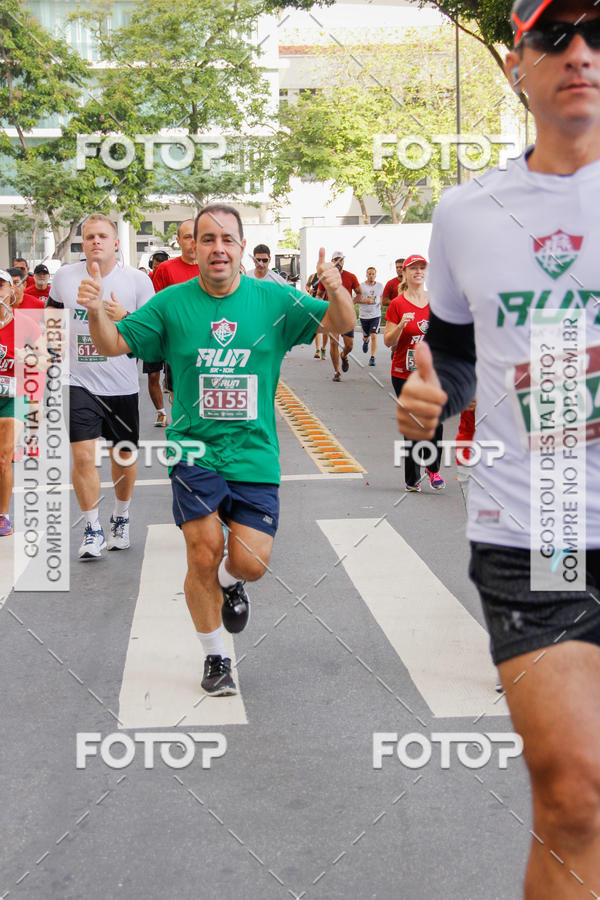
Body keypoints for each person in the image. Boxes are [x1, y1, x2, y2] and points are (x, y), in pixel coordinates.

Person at [396, 1, 600, 895]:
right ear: (517, 64)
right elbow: (456, 355)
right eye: (556, 38)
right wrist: (434, 399)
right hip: (540, 518)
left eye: (599, 34)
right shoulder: (466, 211)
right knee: (574, 796)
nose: (581, 55)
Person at [79, 202, 355, 696]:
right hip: (193, 449)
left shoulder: (274, 301)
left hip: (254, 452)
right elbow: (113, 344)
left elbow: (341, 324)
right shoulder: (171, 304)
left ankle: (234, 582)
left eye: (228, 239)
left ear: (242, 248)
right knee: (202, 552)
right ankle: (216, 658)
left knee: (251, 562)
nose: (218, 248)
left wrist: (334, 288)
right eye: (208, 239)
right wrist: (97, 311)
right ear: (196, 248)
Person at [47, 213, 154, 559]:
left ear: (116, 243)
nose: (95, 242)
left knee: (123, 456)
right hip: (79, 382)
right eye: (89, 236)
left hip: (122, 383)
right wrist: (50, 351)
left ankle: (120, 518)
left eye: (102, 237)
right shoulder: (64, 277)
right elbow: (53, 314)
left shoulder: (137, 282)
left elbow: (152, 333)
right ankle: (92, 528)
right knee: (82, 455)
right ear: (82, 242)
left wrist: (125, 317)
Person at [385, 255, 445, 491]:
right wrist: (401, 325)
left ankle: (433, 469)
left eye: (423, 268)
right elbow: (389, 341)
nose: (419, 272)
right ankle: (412, 478)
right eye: (414, 268)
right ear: (406, 274)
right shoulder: (398, 304)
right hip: (403, 373)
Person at [0, 269, 46, 536]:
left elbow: (46, 360)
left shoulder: (24, 323)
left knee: (4, 457)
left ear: (11, 291)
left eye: (1, 286)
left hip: (12, 397)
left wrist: (27, 358)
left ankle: (3, 515)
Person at [146, 223, 198, 427]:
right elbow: (154, 305)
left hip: (207, 341)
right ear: (178, 241)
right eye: (187, 237)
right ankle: (182, 426)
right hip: (175, 343)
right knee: (179, 390)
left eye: (197, 236)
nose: (193, 242)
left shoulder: (213, 266)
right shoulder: (166, 269)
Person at [317, 251, 361, 382]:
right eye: (336, 260)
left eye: (340, 260)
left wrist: (351, 303)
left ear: (343, 262)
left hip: (346, 315)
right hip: (332, 314)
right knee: (333, 342)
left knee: (349, 345)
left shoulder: (351, 276)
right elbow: (319, 294)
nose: (338, 262)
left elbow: (359, 293)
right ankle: (337, 371)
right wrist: (321, 304)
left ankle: (344, 355)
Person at [358, 267, 383, 366]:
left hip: (375, 315)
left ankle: (372, 357)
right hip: (364, 315)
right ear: (366, 274)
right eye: (369, 274)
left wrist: (379, 301)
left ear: (375, 275)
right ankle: (365, 340)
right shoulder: (361, 286)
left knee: (374, 335)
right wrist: (366, 301)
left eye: (373, 274)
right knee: (366, 336)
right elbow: (356, 299)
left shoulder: (380, 286)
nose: (371, 275)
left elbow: (382, 298)